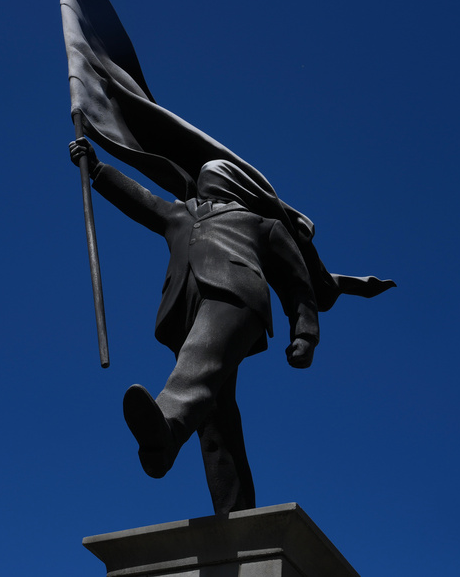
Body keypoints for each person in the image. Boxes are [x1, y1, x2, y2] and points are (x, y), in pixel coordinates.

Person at [70, 137, 319, 514]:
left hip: (235, 298)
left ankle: (165, 431)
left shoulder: (260, 225)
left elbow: (297, 280)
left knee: (197, 364)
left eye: (212, 175)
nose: (203, 179)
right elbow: (142, 200)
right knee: (215, 414)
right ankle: (236, 512)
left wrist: (304, 332)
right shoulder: (179, 214)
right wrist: (98, 169)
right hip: (184, 310)